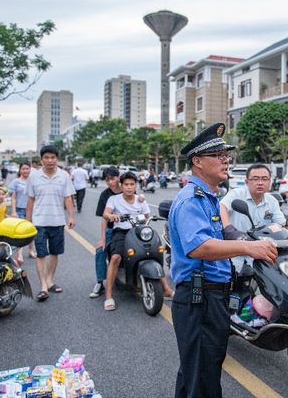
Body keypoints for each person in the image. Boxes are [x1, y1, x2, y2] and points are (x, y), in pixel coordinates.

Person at [169, 123, 277, 398]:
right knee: (203, 374)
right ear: (197, 161)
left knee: (198, 369)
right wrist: (247, 248)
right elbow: (200, 247)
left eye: (226, 154)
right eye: (217, 154)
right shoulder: (192, 200)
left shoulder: (208, 197)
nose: (225, 159)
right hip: (199, 296)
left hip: (210, 295)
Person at [220, 163, 288, 272]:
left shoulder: (272, 201)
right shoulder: (236, 194)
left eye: (264, 179)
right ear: (247, 182)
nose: (260, 183)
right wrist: (229, 229)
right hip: (234, 254)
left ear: (270, 182)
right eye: (255, 179)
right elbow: (221, 207)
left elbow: (281, 223)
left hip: (261, 255)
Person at [102, 172, 170, 310]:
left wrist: (147, 220)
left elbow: (146, 217)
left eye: (132, 184)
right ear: (121, 185)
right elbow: (105, 213)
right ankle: (109, 296)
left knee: (155, 253)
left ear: (136, 185)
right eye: (126, 184)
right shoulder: (114, 199)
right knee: (115, 257)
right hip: (121, 232)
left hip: (139, 231)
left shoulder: (140, 200)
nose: (129, 187)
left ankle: (166, 288)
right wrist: (112, 216)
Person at [26, 145, 75, 302]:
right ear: (41, 160)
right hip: (39, 221)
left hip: (57, 221)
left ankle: (50, 281)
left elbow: (68, 197)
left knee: (54, 253)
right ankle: (43, 287)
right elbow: (31, 199)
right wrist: (27, 220)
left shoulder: (64, 176)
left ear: (57, 159)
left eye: (53, 157)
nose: (50, 160)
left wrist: (71, 217)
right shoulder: (33, 177)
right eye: (46, 157)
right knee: (41, 254)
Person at [91, 166, 122, 298]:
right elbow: (104, 218)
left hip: (128, 228)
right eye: (107, 180)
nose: (110, 182)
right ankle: (100, 282)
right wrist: (102, 238)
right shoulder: (105, 195)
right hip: (111, 229)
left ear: (118, 177)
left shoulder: (127, 189)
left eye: (113, 179)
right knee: (100, 251)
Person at [9, 162, 35, 262]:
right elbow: (13, 197)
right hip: (20, 209)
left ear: (30, 170)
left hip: (32, 210)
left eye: (27, 169)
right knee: (21, 232)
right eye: (23, 169)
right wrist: (13, 211)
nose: (25, 171)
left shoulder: (33, 181)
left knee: (31, 231)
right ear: (20, 170)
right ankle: (20, 255)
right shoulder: (16, 182)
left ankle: (31, 250)